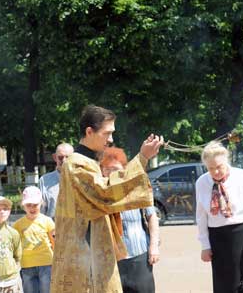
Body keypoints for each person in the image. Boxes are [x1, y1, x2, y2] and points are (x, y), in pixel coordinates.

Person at [50, 105, 164, 293]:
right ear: (89, 131)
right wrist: (142, 157)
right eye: (107, 133)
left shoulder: (87, 162)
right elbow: (105, 193)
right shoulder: (76, 163)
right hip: (83, 254)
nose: (111, 139)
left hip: (90, 250)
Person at [195, 141, 243, 293]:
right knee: (222, 284)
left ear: (227, 160)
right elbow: (201, 217)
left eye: (219, 167)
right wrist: (205, 246)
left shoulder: (241, 176)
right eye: (211, 168)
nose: (216, 172)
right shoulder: (201, 182)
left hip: (241, 234)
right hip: (217, 238)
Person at [100, 147, 160, 293]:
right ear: (102, 171)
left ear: (124, 170)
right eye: (108, 170)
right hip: (111, 260)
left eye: (116, 169)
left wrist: (154, 246)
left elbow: (151, 217)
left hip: (139, 253)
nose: (112, 174)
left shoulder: (136, 189)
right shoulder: (99, 194)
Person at [13, 186, 55, 293]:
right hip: (27, 265)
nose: (32, 208)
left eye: (35, 205)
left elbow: (54, 241)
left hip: (46, 263)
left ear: (41, 203)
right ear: (23, 206)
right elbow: (15, 246)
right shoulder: (18, 225)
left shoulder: (47, 221)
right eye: (28, 205)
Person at [0, 196, 22, 293]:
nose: (2, 212)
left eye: (5, 209)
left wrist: (14, 272)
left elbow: (17, 256)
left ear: (10, 211)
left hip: (11, 281)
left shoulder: (13, 233)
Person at [39, 143, 74, 220]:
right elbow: (41, 210)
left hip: (76, 229)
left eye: (67, 157)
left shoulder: (80, 178)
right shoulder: (44, 180)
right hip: (53, 229)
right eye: (60, 157)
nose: (64, 160)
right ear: (55, 157)